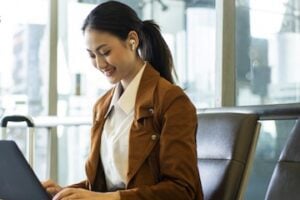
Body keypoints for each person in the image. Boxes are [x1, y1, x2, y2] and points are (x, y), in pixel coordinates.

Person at [43, 1, 203, 199]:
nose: (100, 64)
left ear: (132, 40)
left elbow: (182, 191)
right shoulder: (102, 106)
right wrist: (63, 192)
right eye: (92, 55)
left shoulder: (172, 101)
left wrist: (109, 198)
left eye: (105, 52)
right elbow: (103, 186)